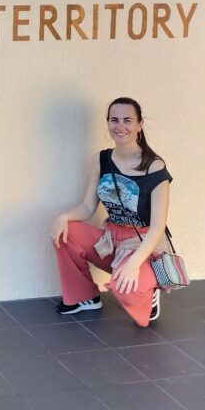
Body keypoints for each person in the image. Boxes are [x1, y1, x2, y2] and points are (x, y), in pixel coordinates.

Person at [49, 97, 172, 326]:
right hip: (111, 240)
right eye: (114, 120)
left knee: (125, 290)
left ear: (139, 124)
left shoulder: (154, 166)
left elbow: (157, 228)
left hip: (142, 244)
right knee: (65, 232)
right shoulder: (102, 159)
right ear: (107, 123)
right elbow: (87, 207)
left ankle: (149, 289)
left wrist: (134, 263)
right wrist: (64, 217)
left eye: (127, 120)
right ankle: (85, 297)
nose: (120, 126)